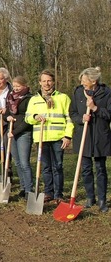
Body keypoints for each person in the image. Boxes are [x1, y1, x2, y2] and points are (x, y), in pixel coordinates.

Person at [25, 69, 73, 204]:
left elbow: (70, 118)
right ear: (40, 83)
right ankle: (48, 192)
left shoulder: (63, 98)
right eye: (44, 81)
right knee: (45, 167)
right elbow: (27, 117)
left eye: (49, 81)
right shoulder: (34, 100)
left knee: (57, 166)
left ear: (53, 82)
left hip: (58, 138)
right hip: (41, 138)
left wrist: (68, 136)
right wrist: (35, 117)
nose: (47, 84)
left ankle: (58, 194)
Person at [68, 67, 110, 212]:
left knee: (100, 169)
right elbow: (72, 112)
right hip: (83, 136)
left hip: (100, 137)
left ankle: (102, 200)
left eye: (85, 81)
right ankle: (90, 197)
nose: (82, 83)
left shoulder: (106, 93)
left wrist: (95, 108)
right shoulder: (78, 92)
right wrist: (81, 118)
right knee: (85, 169)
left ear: (94, 81)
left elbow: (109, 114)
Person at [4, 76, 33, 198]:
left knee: (24, 163)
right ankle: (22, 187)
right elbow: (6, 112)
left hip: (23, 133)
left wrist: (15, 132)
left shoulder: (29, 99)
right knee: (17, 163)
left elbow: (28, 120)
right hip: (12, 132)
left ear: (25, 86)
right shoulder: (10, 97)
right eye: (14, 86)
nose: (16, 88)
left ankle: (29, 189)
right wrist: (7, 117)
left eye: (18, 86)